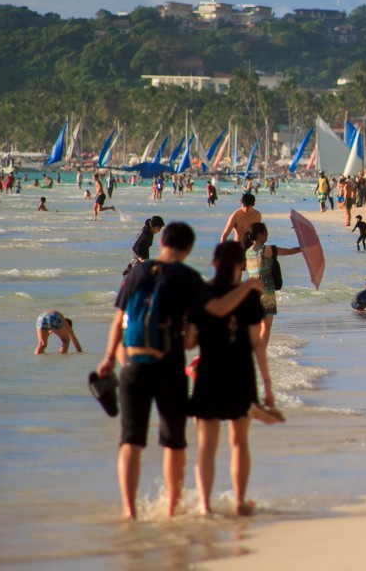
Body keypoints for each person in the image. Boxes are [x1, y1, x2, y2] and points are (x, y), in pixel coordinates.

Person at [95, 222, 263, 520]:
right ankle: (172, 510)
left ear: (161, 244)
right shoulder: (188, 278)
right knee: (173, 441)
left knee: (130, 441)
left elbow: (117, 320)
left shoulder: (137, 273)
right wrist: (249, 286)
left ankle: (129, 511)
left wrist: (109, 358)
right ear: (187, 249)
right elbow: (215, 314)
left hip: (132, 366)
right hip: (168, 367)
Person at [188, 241, 281, 518]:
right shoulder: (249, 296)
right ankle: (239, 501)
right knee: (239, 442)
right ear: (242, 264)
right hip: (241, 373)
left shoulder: (202, 292)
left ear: (214, 263)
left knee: (207, 444)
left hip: (209, 372)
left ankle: (204, 506)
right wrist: (267, 385)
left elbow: (190, 340)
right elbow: (256, 343)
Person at [245, 222, 302, 353]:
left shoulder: (248, 252)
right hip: (266, 292)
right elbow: (288, 252)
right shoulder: (267, 249)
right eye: (265, 232)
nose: (267, 235)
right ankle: (260, 352)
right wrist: (302, 249)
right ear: (260, 235)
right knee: (266, 326)